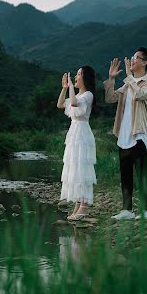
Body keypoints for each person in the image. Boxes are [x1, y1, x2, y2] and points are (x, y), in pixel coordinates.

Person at [104, 47, 147, 220]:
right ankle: (127, 210)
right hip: (124, 134)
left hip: (138, 133)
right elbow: (110, 98)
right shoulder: (128, 84)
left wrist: (129, 77)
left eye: (136, 58)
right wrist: (112, 79)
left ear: (145, 62)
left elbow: (140, 95)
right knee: (125, 173)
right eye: (132, 57)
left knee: (142, 172)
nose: (132, 60)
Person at [57, 66, 97, 221]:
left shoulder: (88, 95)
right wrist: (64, 88)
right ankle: (78, 203)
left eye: (79, 74)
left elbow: (73, 103)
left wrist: (71, 88)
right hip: (73, 133)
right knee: (74, 167)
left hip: (82, 132)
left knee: (82, 168)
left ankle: (84, 205)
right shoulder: (77, 94)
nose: (76, 76)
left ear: (85, 78)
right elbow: (61, 104)